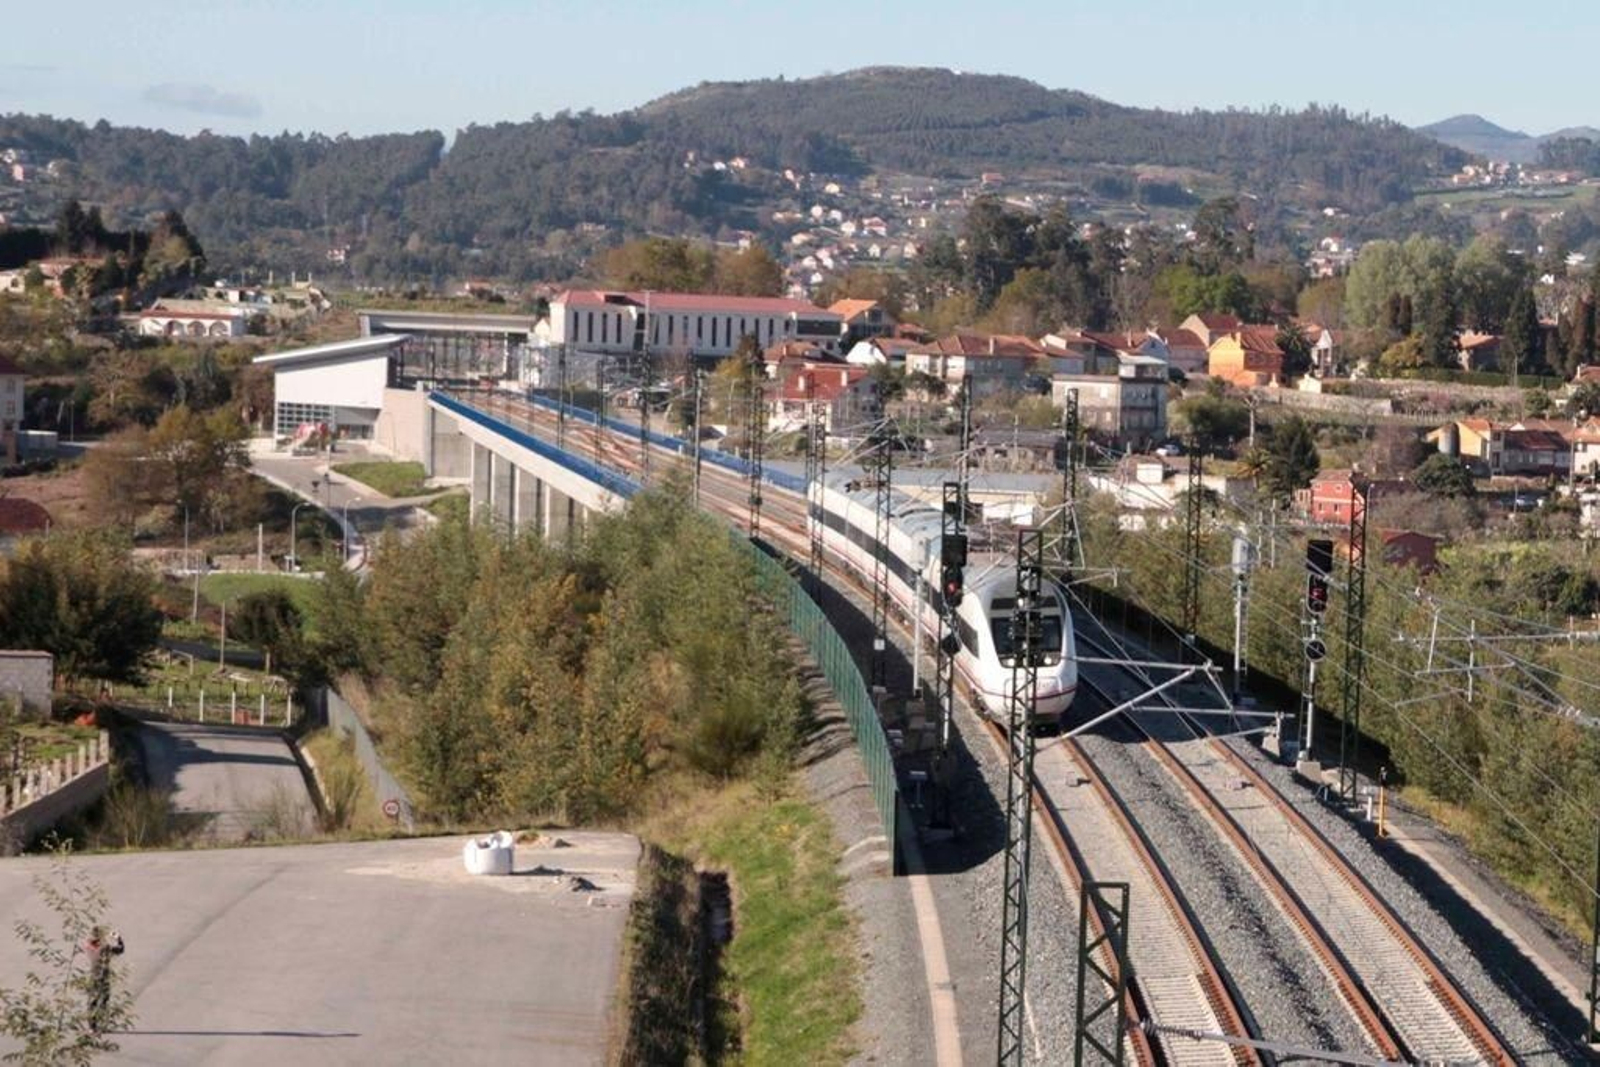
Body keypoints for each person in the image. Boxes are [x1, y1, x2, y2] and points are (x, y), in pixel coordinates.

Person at [84, 927, 124, 1034]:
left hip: (93, 975)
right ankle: (102, 1024)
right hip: (103, 976)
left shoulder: (88, 946)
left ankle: (92, 1026)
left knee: (93, 1001)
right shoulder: (105, 948)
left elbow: (92, 942)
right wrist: (118, 938)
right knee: (104, 1000)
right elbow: (120, 949)